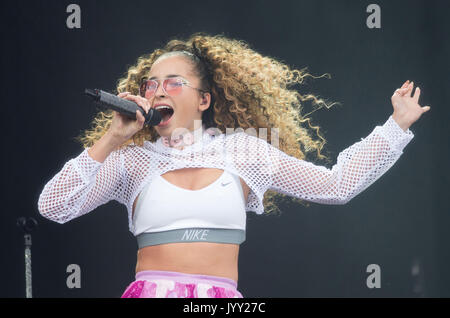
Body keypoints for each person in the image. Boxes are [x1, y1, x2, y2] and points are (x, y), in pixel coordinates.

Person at [37, 32, 430, 298]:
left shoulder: (244, 152)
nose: (157, 91)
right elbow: (53, 207)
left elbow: (336, 185)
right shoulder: (131, 161)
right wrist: (111, 139)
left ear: (204, 100)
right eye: (150, 85)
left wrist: (394, 127)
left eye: (173, 82)